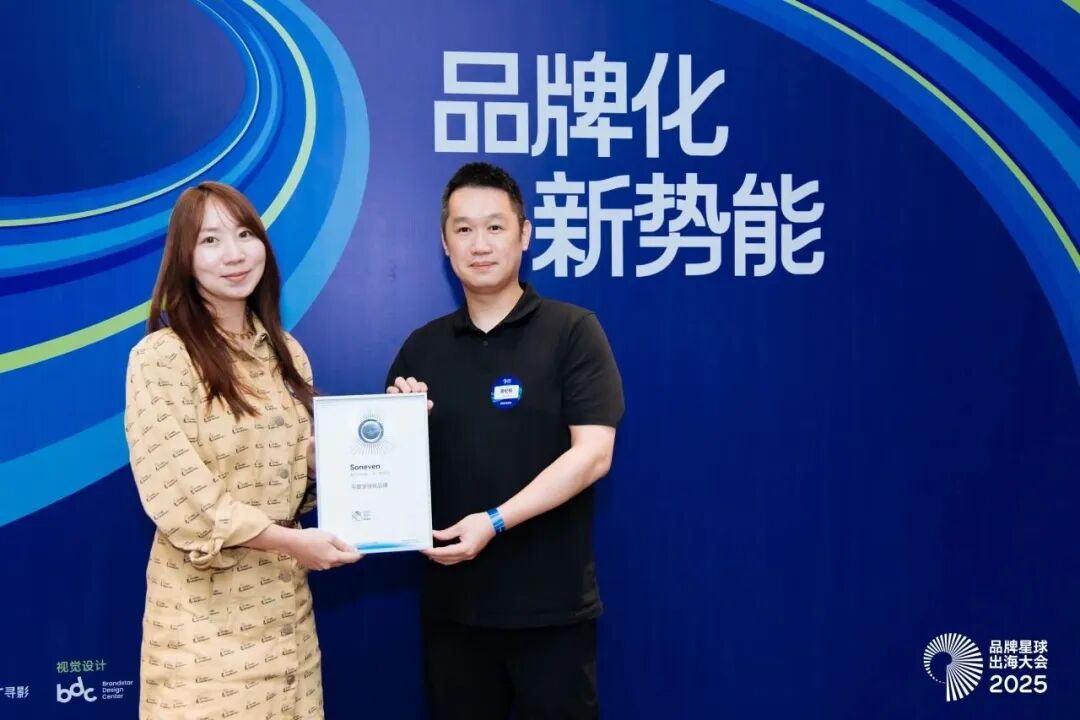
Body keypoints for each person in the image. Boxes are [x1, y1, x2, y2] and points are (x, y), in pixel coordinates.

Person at [386, 162, 624, 719]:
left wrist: (494, 521)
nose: (480, 244)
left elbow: (593, 455)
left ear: (525, 234)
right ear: (445, 243)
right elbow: (387, 477)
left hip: (552, 614)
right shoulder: (421, 349)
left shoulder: (572, 331)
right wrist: (399, 426)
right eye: (464, 229)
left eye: (495, 226)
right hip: (455, 615)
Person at [123, 181, 361, 720]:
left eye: (245, 235)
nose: (234, 254)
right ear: (184, 258)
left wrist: (331, 464)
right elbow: (183, 497)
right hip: (204, 637)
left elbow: (292, 488)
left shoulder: (288, 354)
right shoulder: (161, 357)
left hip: (288, 624)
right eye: (210, 240)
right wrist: (291, 543)